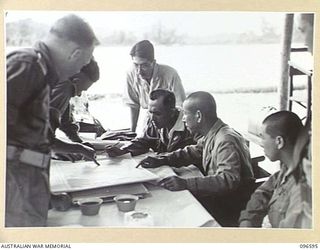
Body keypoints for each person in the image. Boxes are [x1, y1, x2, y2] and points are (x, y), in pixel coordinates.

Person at [6, 14, 98, 227]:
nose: (78, 71)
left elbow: (29, 142)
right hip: (14, 197)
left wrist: (46, 195)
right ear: (75, 53)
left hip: (26, 192)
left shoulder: (40, 73)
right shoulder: (27, 66)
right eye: (84, 61)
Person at [137, 91, 255, 226]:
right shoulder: (213, 133)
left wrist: (186, 184)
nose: (183, 119)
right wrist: (163, 159)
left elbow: (228, 180)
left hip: (230, 206)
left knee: (168, 212)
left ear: (198, 116)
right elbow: (194, 151)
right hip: (221, 198)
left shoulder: (225, 140)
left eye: (186, 114)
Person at [239, 111, 305, 228]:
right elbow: (262, 193)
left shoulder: (302, 190)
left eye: (263, 138)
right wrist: (248, 219)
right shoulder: (287, 168)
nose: (261, 143)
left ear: (279, 142)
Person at [106, 89, 195, 157]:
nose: (152, 118)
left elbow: (194, 155)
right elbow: (144, 141)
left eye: (157, 113)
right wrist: (123, 150)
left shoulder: (190, 126)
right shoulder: (154, 121)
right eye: (150, 112)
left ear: (172, 112)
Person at [123, 40, 186, 132]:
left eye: (144, 65)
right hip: (150, 119)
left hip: (171, 121)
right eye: (136, 65)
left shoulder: (170, 74)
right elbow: (133, 105)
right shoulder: (130, 73)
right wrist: (132, 132)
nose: (139, 71)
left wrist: (174, 132)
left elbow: (180, 107)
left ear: (153, 62)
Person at [50, 58, 105, 161]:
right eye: (81, 90)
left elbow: (65, 121)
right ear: (75, 80)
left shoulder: (62, 80)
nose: (79, 95)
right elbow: (44, 137)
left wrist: (78, 142)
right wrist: (78, 148)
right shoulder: (65, 87)